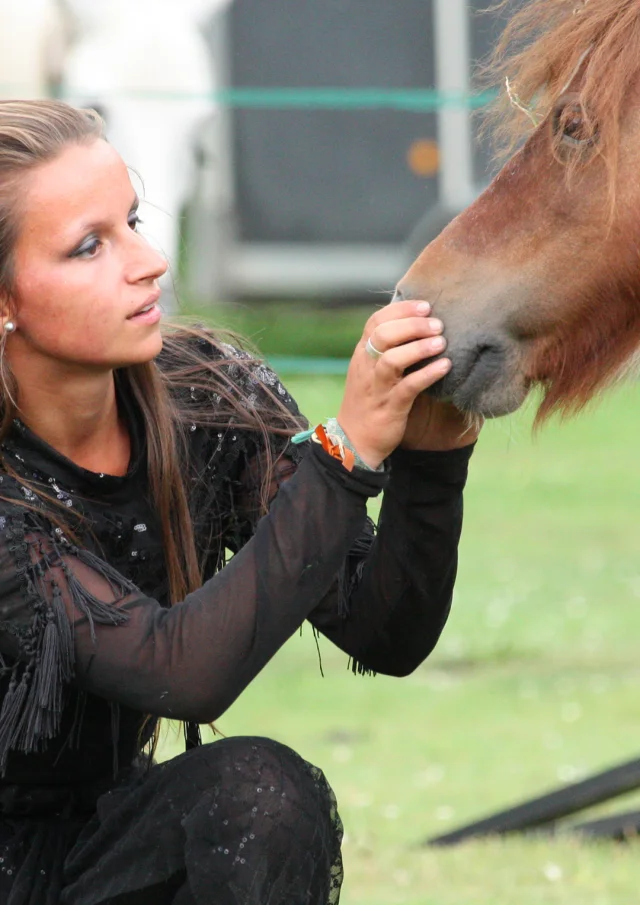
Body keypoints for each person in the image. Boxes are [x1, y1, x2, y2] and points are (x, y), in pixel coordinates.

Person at [0, 99, 480, 905]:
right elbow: (182, 672)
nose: (147, 261)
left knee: (260, 795)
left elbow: (383, 628)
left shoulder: (208, 397)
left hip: (106, 850)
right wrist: (343, 452)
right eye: (89, 247)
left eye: (133, 221)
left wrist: (433, 457)